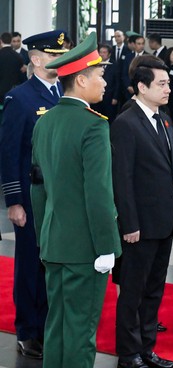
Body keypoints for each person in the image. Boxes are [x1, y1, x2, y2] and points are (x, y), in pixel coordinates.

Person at [30, 32, 121, 368]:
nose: (104, 84)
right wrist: (106, 246)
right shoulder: (93, 126)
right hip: (86, 247)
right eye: (99, 76)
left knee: (57, 325)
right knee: (82, 331)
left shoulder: (46, 121)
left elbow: (37, 188)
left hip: (54, 242)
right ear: (81, 80)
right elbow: (97, 194)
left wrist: (44, 236)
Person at [0, 30, 67, 360]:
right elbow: (9, 152)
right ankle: (28, 330)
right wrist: (13, 201)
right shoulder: (21, 98)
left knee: (54, 263)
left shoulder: (64, 94)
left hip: (60, 197)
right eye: (54, 55)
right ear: (36, 59)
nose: (60, 59)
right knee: (30, 264)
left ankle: (50, 325)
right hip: (30, 196)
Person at [111, 56, 173, 368]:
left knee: (154, 291)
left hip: (164, 222)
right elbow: (121, 178)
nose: (168, 89)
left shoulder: (164, 119)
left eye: (168, 83)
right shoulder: (126, 123)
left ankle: (147, 349)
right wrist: (129, 223)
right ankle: (128, 353)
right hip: (139, 224)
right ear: (142, 86)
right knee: (133, 293)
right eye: (162, 84)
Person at [90, 43, 119, 122]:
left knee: (109, 117)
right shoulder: (95, 64)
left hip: (109, 97)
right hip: (96, 96)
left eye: (104, 52)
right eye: (100, 52)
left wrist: (115, 97)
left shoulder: (114, 65)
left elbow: (117, 82)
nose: (102, 54)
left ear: (109, 54)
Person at [0, 31, 25, 104]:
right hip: (13, 91)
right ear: (11, 41)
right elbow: (21, 74)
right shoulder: (18, 56)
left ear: (1, 41)